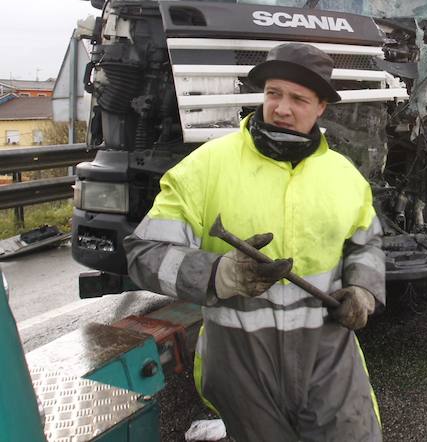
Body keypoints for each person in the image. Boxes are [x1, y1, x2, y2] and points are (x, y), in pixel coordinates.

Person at [125, 42, 384, 442]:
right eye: (273, 94)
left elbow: (366, 244)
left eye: (298, 98)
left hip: (327, 357)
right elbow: (144, 254)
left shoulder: (344, 176)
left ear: (321, 109)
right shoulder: (207, 166)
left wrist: (364, 290)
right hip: (241, 364)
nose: (281, 108)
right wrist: (218, 275)